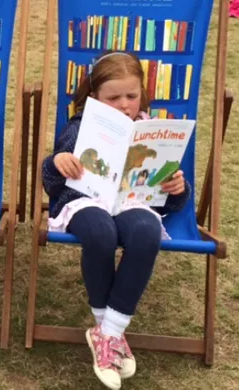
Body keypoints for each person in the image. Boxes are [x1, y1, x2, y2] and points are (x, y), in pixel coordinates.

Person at [42, 51, 191, 390]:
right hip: (85, 202)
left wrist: (176, 187)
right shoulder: (79, 127)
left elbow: (172, 200)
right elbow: (51, 183)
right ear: (94, 98)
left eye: (131, 95)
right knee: (100, 233)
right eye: (113, 97)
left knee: (146, 232)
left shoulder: (153, 131)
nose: (124, 104)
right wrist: (59, 162)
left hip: (132, 202)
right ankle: (108, 333)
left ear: (142, 95)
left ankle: (107, 333)